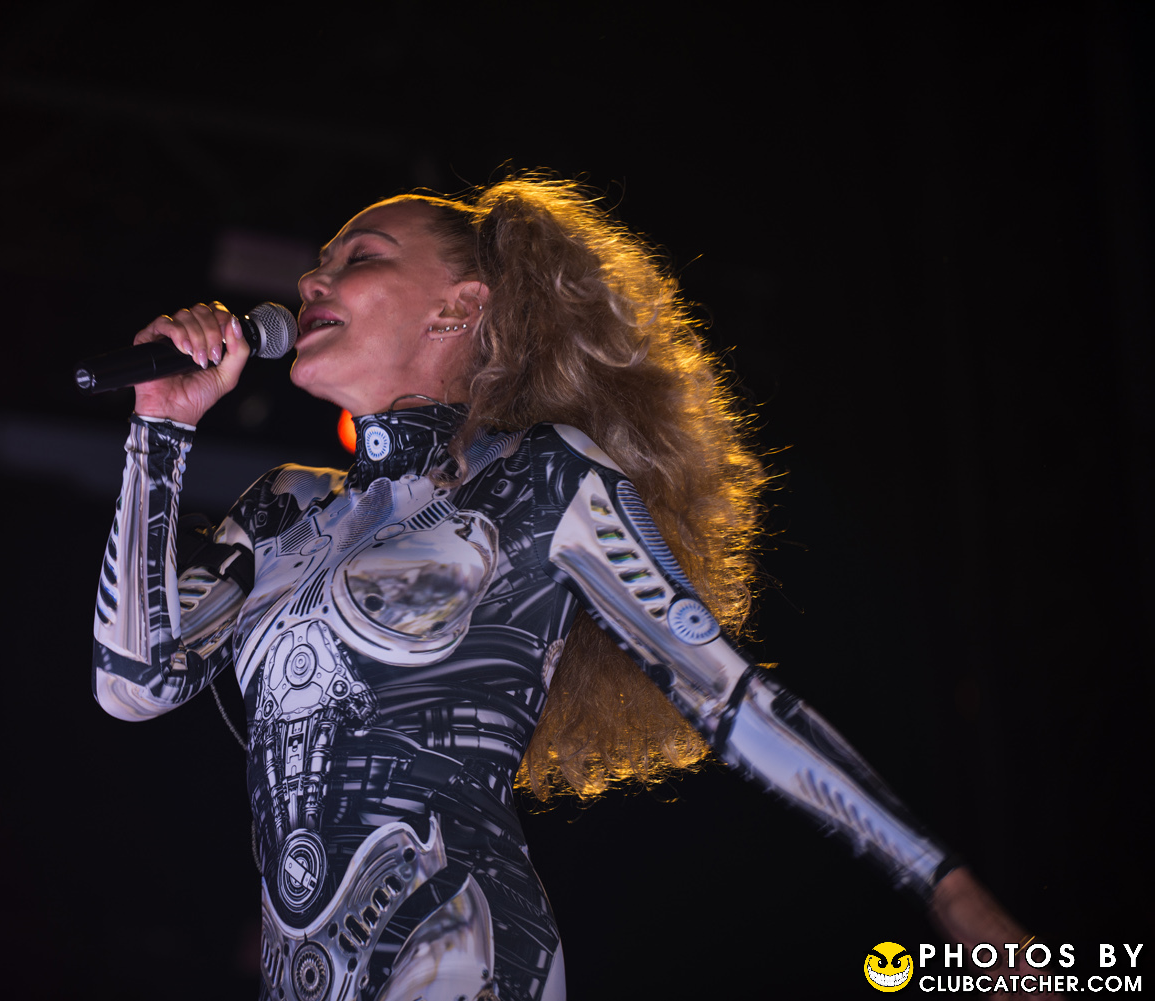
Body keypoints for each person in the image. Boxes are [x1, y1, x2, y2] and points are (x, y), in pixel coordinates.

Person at [90, 177, 1039, 1000]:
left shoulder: (540, 478)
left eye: (359, 257)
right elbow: (132, 683)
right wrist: (161, 429)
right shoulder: (283, 506)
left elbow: (729, 697)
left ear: (459, 307)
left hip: (459, 943)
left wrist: (940, 880)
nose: (310, 281)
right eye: (318, 264)